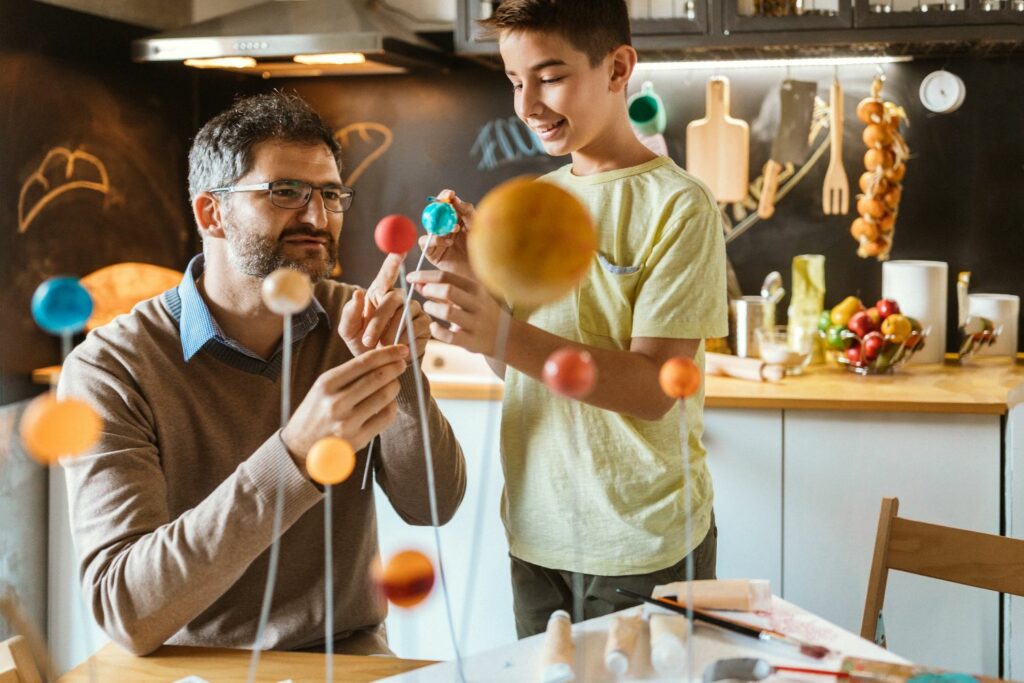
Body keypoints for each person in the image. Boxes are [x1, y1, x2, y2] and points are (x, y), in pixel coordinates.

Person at [58, 92, 466, 656]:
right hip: (189, 663)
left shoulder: (357, 321)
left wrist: (400, 378)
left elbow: (431, 506)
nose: (317, 218)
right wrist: (296, 454)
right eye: (285, 192)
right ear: (211, 213)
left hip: (345, 655)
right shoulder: (111, 367)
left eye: (330, 195)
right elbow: (126, 611)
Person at [406, 0, 727, 638]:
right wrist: (473, 279)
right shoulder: (537, 204)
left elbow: (654, 389)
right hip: (537, 532)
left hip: (642, 541)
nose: (528, 105)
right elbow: (517, 371)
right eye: (514, 81)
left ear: (618, 69)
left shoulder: (679, 206)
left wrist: (501, 330)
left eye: (549, 77)